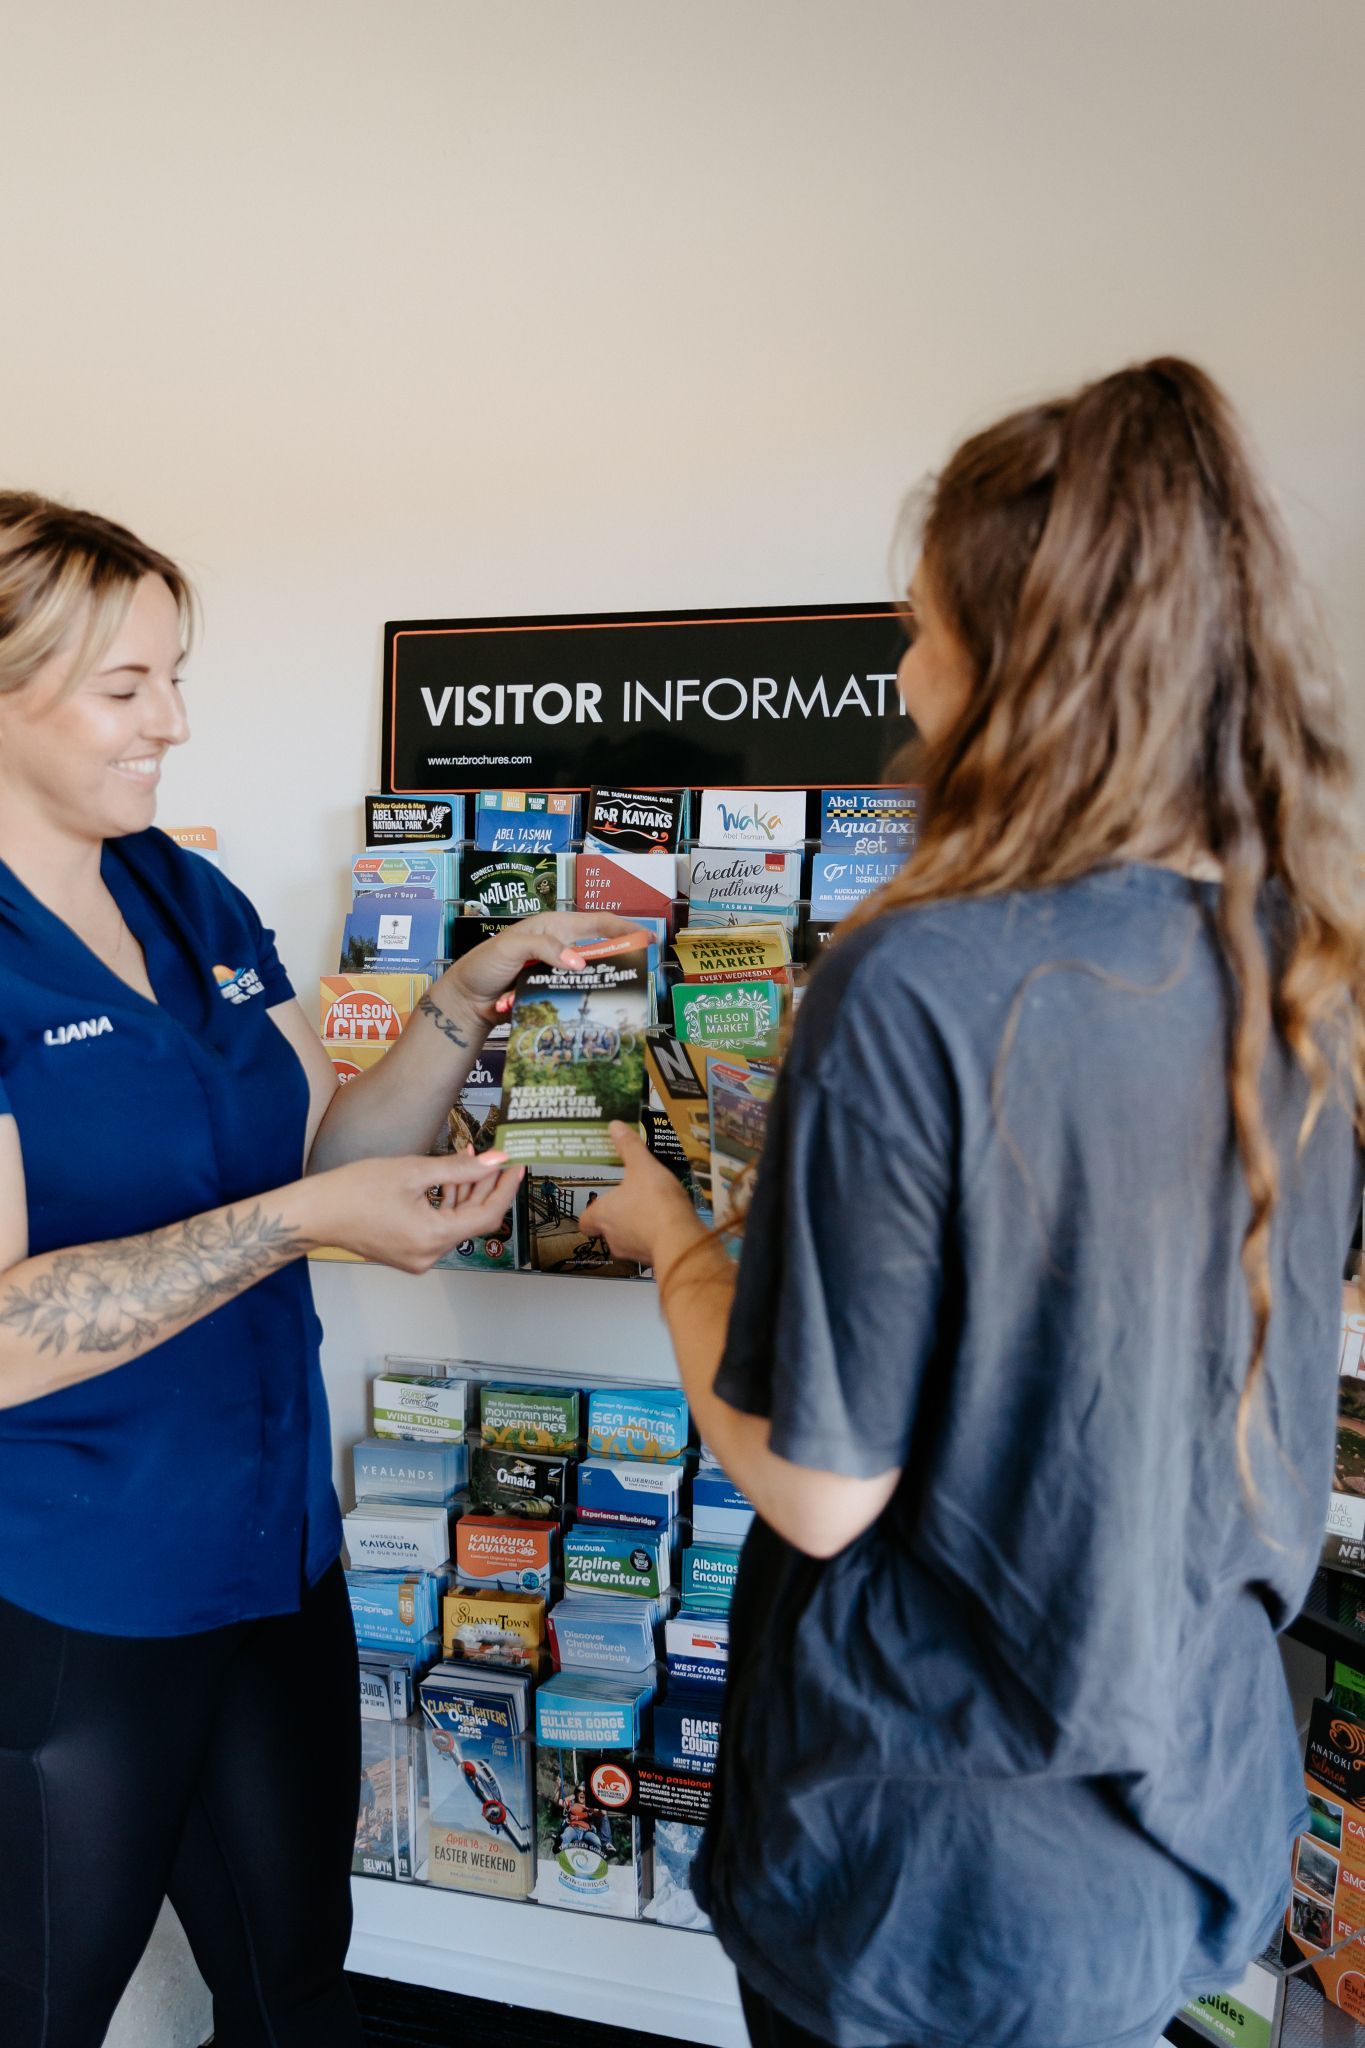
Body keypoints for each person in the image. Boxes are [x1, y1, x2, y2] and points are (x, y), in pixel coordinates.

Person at [584, 360, 1365, 2048]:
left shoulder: (924, 974)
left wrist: (673, 1247)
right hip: (1176, 1820)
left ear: (1019, 664)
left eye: (919, 625)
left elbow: (814, 1487)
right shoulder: (1289, 957)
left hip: (928, 1861)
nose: (899, 668)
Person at [0, 491, 644, 2047]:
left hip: (269, 1550)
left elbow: (315, 1149)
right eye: (127, 686)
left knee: (296, 1989)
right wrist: (304, 1225)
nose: (176, 720)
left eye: (176, 673)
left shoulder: (180, 891)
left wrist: (467, 994)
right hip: (71, 1587)